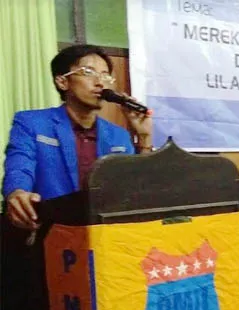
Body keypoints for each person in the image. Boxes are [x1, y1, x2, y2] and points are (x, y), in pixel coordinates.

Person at [2, 44, 153, 230]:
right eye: (88, 72)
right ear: (62, 82)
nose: (100, 82)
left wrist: (144, 137)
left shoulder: (118, 136)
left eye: (105, 75)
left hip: (105, 235)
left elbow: (136, 190)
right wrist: (17, 192)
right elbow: (19, 167)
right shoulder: (32, 123)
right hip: (49, 232)